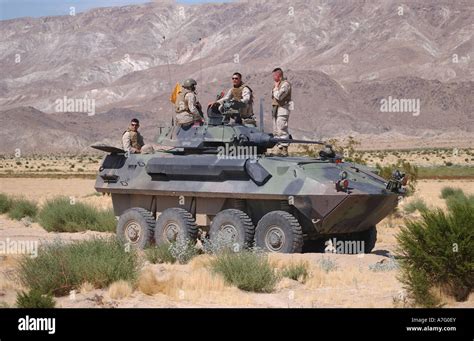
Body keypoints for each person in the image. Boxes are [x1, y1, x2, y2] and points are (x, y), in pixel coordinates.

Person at [271, 67, 292, 156]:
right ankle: (279, 148)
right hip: (276, 109)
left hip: (283, 109)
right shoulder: (277, 84)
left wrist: (276, 88)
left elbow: (279, 96)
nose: (273, 78)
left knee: (281, 128)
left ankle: (284, 148)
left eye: (274, 76)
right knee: (276, 130)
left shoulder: (285, 84)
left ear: (278, 76)